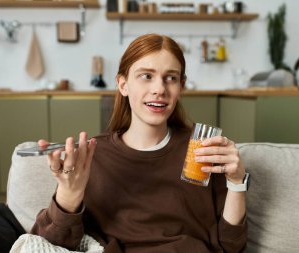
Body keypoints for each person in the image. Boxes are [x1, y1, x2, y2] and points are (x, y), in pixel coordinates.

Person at [31, 33, 248, 253]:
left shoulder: (202, 149)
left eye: (171, 78)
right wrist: (69, 196)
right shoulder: (94, 154)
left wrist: (237, 182)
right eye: (146, 76)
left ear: (180, 87)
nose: (160, 89)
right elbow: (47, 244)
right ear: (123, 85)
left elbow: (231, 246)